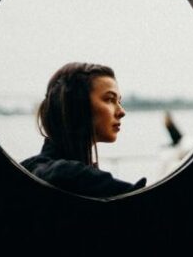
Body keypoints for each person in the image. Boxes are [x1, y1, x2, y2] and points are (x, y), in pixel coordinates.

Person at [21, 62, 147, 197]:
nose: (122, 112)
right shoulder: (72, 176)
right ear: (77, 106)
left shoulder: (28, 167)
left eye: (119, 101)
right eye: (109, 99)